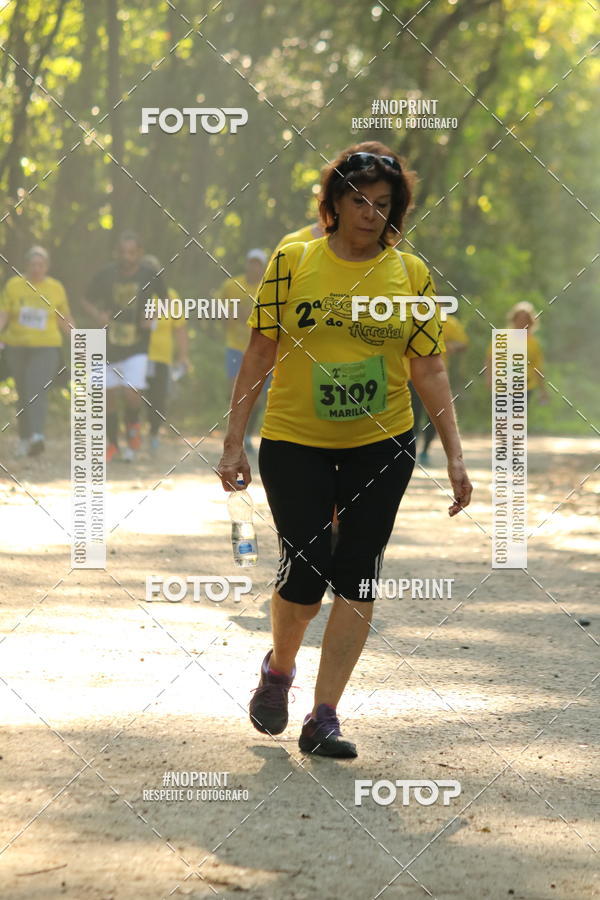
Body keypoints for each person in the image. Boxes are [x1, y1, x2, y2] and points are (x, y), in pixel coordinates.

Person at [217, 141, 473, 759]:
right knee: (304, 576)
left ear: (397, 210)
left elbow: (430, 367)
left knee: (358, 572)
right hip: (295, 441)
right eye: (356, 200)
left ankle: (324, 716)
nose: (369, 213)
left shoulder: (408, 274)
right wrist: (232, 440)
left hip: (380, 444)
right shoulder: (293, 260)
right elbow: (260, 351)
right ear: (332, 202)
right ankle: (279, 670)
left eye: (382, 204)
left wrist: (457, 456)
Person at [82, 231, 166, 462]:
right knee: (106, 394)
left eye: (131, 252)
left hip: (137, 343)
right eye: (122, 252)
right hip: (108, 342)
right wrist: (97, 314)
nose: (126, 256)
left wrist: (153, 315)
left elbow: (166, 302)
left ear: (139, 253)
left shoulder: (150, 275)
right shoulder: (105, 274)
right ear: (116, 252)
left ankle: (133, 429)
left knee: (131, 392)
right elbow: (85, 299)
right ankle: (112, 444)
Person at [0, 246, 74, 457]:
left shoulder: (55, 288)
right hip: (17, 347)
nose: (36, 268)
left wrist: (79, 340)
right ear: (26, 266)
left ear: (47, 267)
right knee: (23, 392)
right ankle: (24, 439)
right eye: (32, 264)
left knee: (36, 386)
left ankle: (37, 435)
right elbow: (4, 314)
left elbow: (64, 318)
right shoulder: (14, 286)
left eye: (40, 265)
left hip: (46, 347)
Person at [219, 249, 268, 454]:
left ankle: (247, 434)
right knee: (235, 391)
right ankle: (234, 434)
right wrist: (232, 315)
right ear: (246, 264)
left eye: (258, 264)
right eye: (251, 263)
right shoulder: (231, 285)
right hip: (235, 346)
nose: (253, 267)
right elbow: (219, 313)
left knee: (257, 396)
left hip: (259, 349)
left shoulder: (269, 286)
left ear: (264, 266)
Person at [143, 255, 189, 455]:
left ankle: (153, 432)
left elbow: (179, 329)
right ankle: (134, 433)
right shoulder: (135, 294)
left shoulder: (170, 297)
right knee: (136, 395)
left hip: (162, 357)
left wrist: (183, 355)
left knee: (159, 397)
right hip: (138, 355)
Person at [409, 313, 469, 464]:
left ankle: (425, 450)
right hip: (409, 375)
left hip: (435, 376)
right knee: (413, 414)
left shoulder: (448, 322)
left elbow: (463, 344)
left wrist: (452, 346)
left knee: (435, 415)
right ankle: (411, 449)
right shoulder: (408, 317)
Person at [486, 301, 548, 405]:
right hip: (503, 385)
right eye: (519, 319)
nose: (522, 322)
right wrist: (489, 378)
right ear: (514, 320)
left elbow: (537, 368)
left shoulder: (533, 343)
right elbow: (490, 359)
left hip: (525, 387)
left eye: (525, 320)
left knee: (517, 417)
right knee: (503, 417)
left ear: (530, 322)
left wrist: (543, 390)